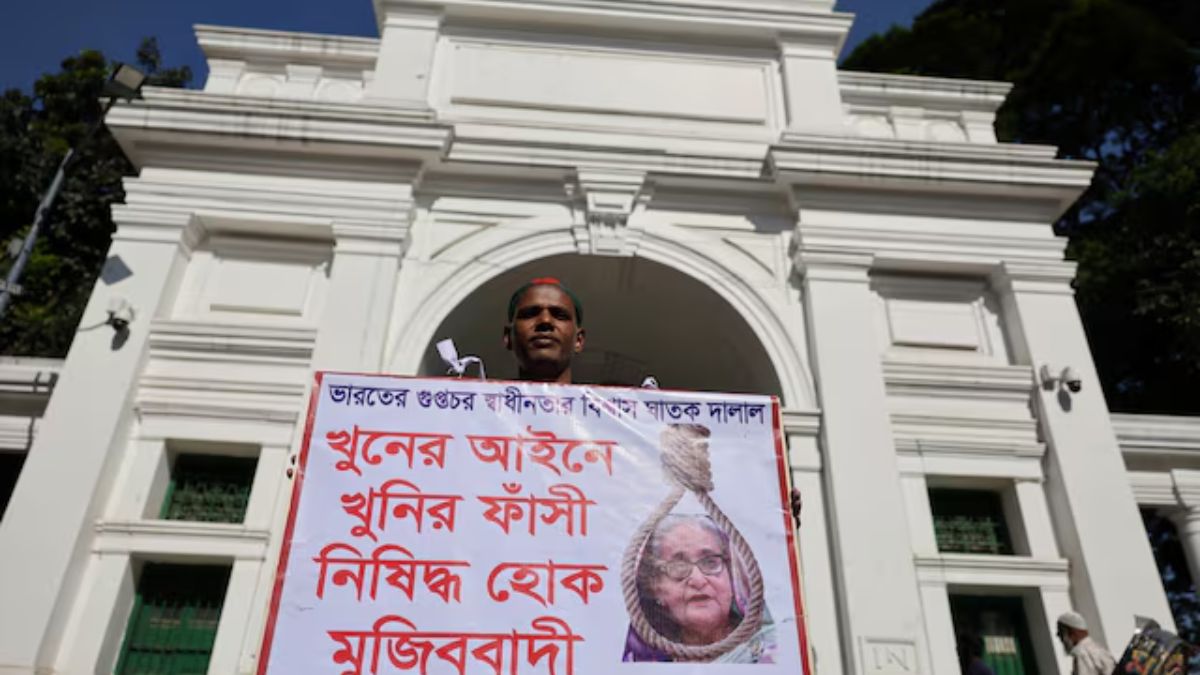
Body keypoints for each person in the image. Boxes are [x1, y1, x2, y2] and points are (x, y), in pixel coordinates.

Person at [623, 513, 777, 663]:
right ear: (655, 587)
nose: (698, 580)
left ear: (732, 576)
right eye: (678, 566)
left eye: (710, 562)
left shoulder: (772, 647)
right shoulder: (638, 662)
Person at [503, 277, 586, 384]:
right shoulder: (480, 400)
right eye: (529, 314)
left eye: (560, 315)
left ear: (579, 340)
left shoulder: (603, 401)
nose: (545, 321)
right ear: (509, 337)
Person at [1056, 611, 1116, 675]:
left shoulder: (1081, 654)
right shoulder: (1099, 650)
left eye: (1060, 632)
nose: (1058, 636)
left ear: (1072, 632)